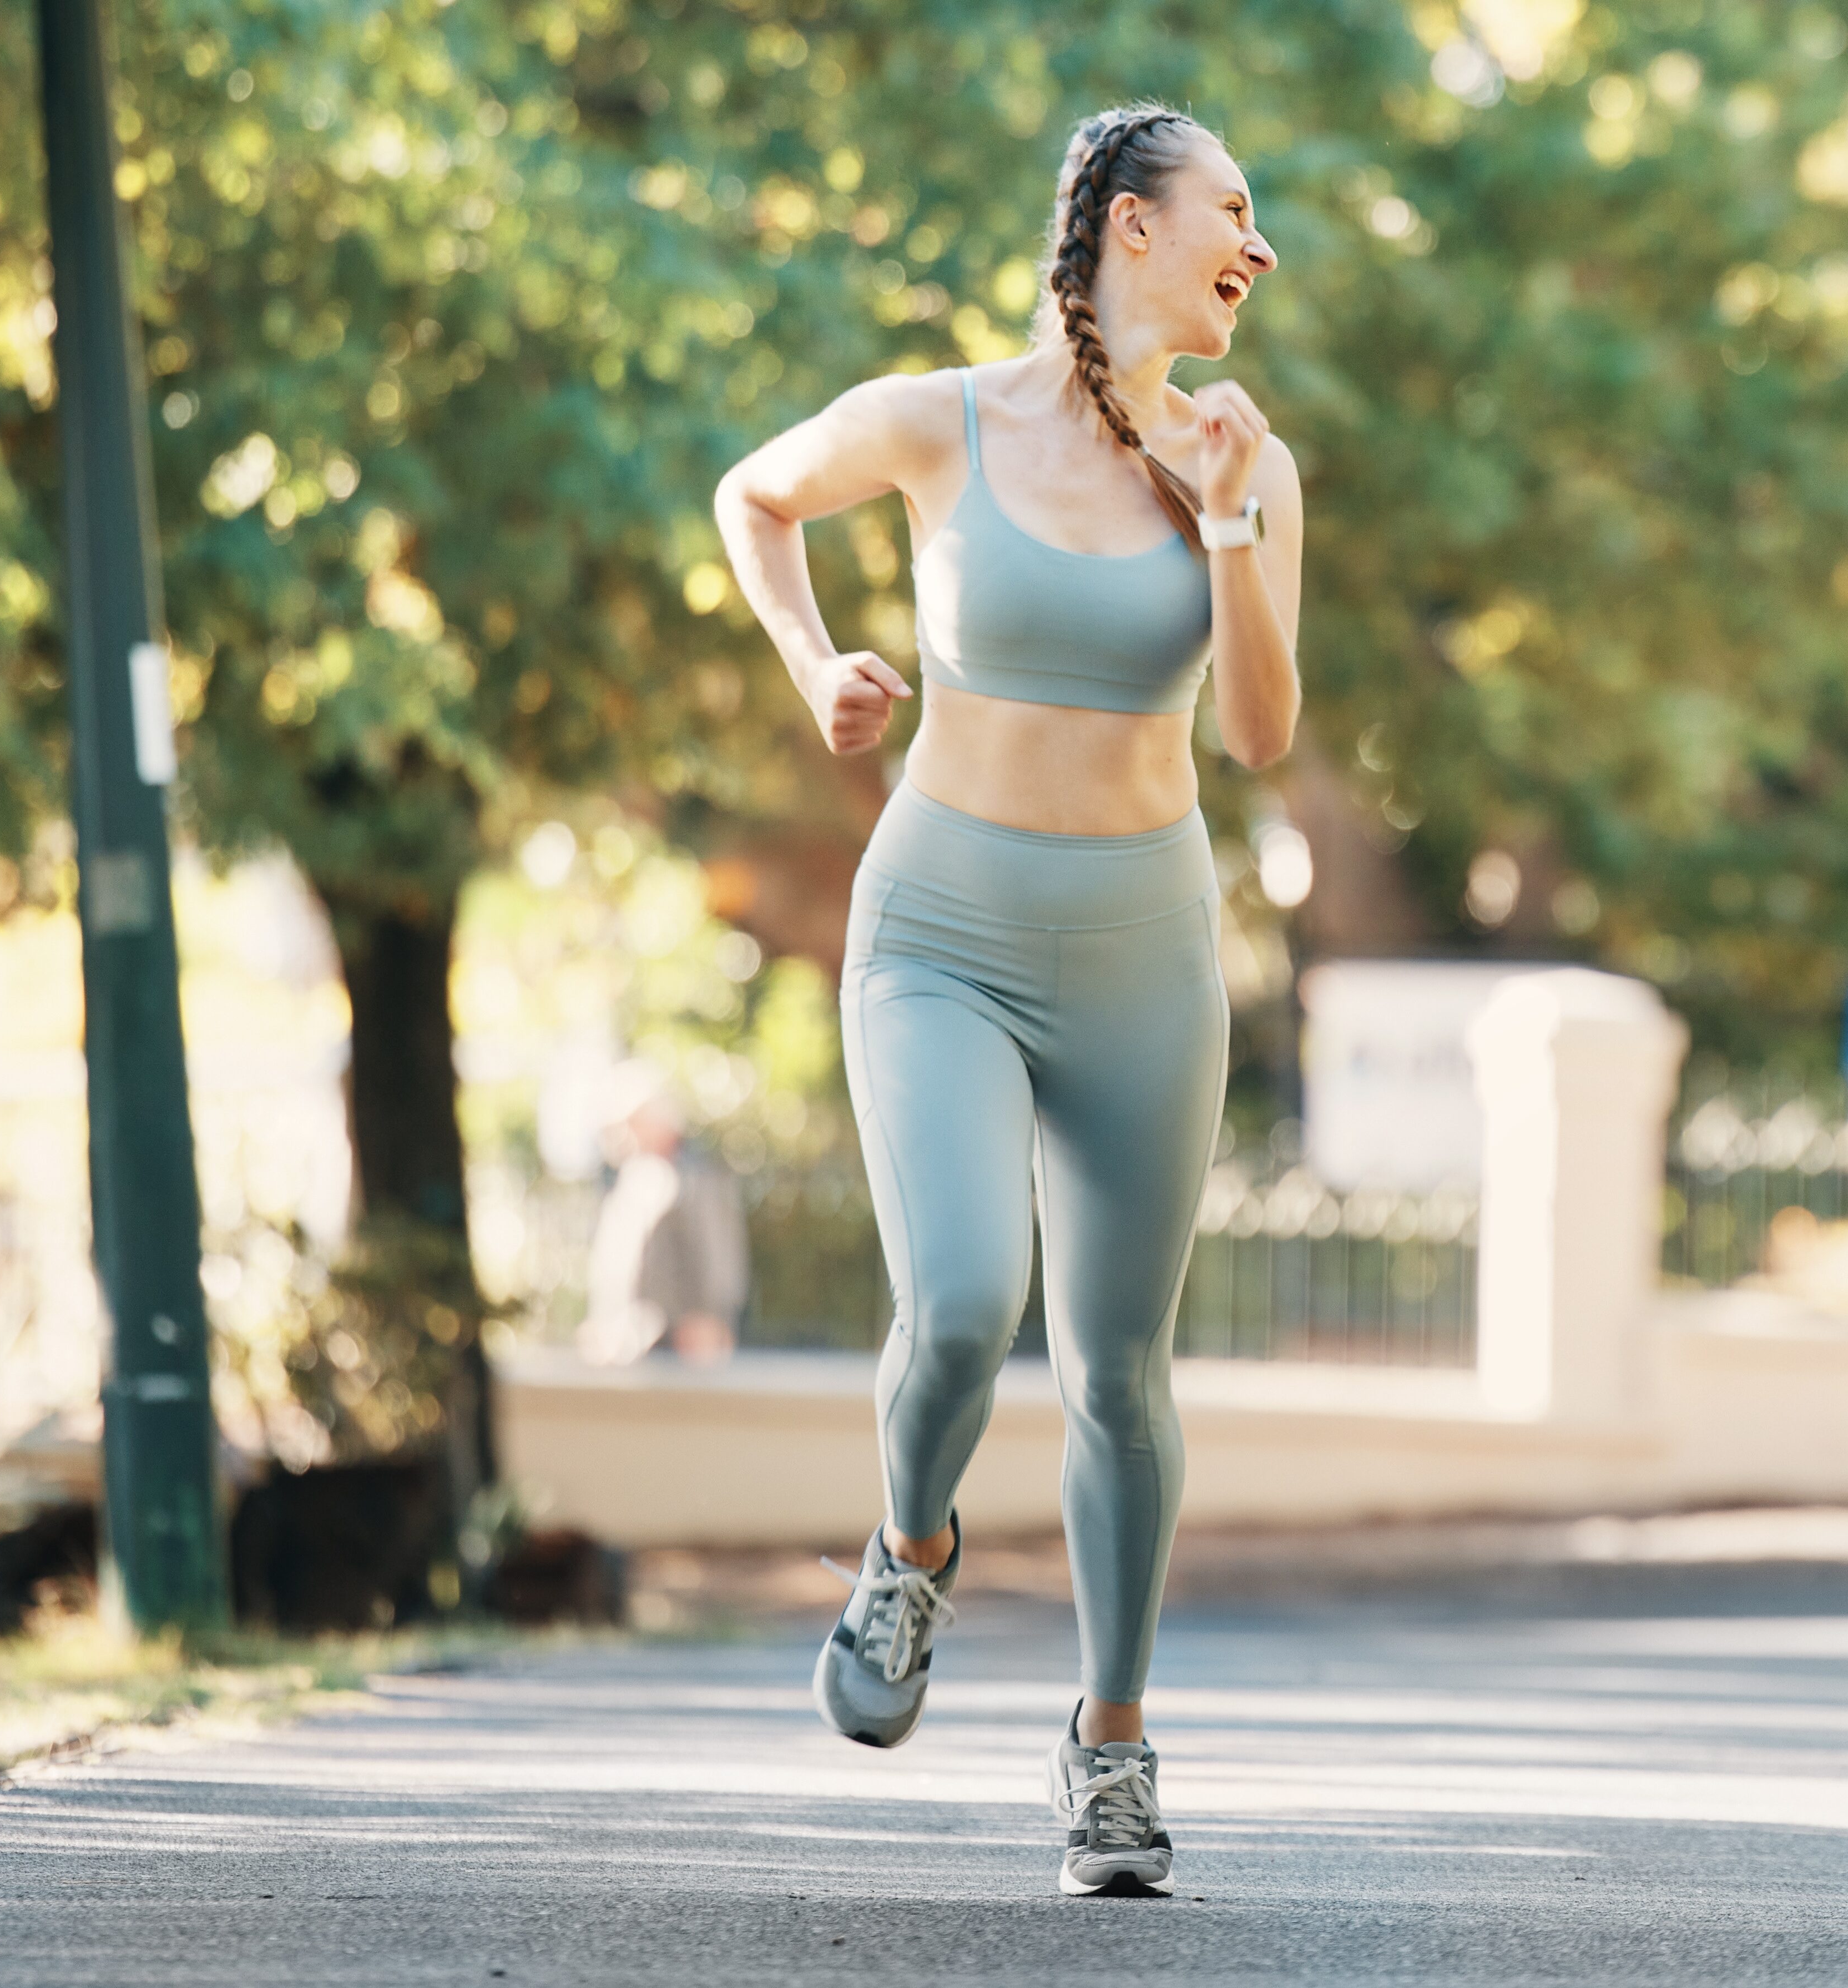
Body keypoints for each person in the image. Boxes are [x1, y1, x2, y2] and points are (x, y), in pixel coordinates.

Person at [711, 103, 1296, 1898]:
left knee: (1119, 1370)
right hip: (942, 921)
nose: (1256, 249)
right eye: (1230, 212)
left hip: (1140, 940)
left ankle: (1108, 1754)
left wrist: (1221, 524)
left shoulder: (1244, 453)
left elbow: (1264, 734)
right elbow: (754, 493)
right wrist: (814, 667)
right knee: (961, 1300)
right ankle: (907, 1547)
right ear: (1129, 226)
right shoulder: (939, 419)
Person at [579, 1062, 751, 1368]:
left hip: (682, 1347)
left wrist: (711, 1319)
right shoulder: (627, 1183)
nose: (622, 1134)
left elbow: (720, 1260)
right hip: (631, 1347)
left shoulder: (699, 1181)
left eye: (632, 1123)